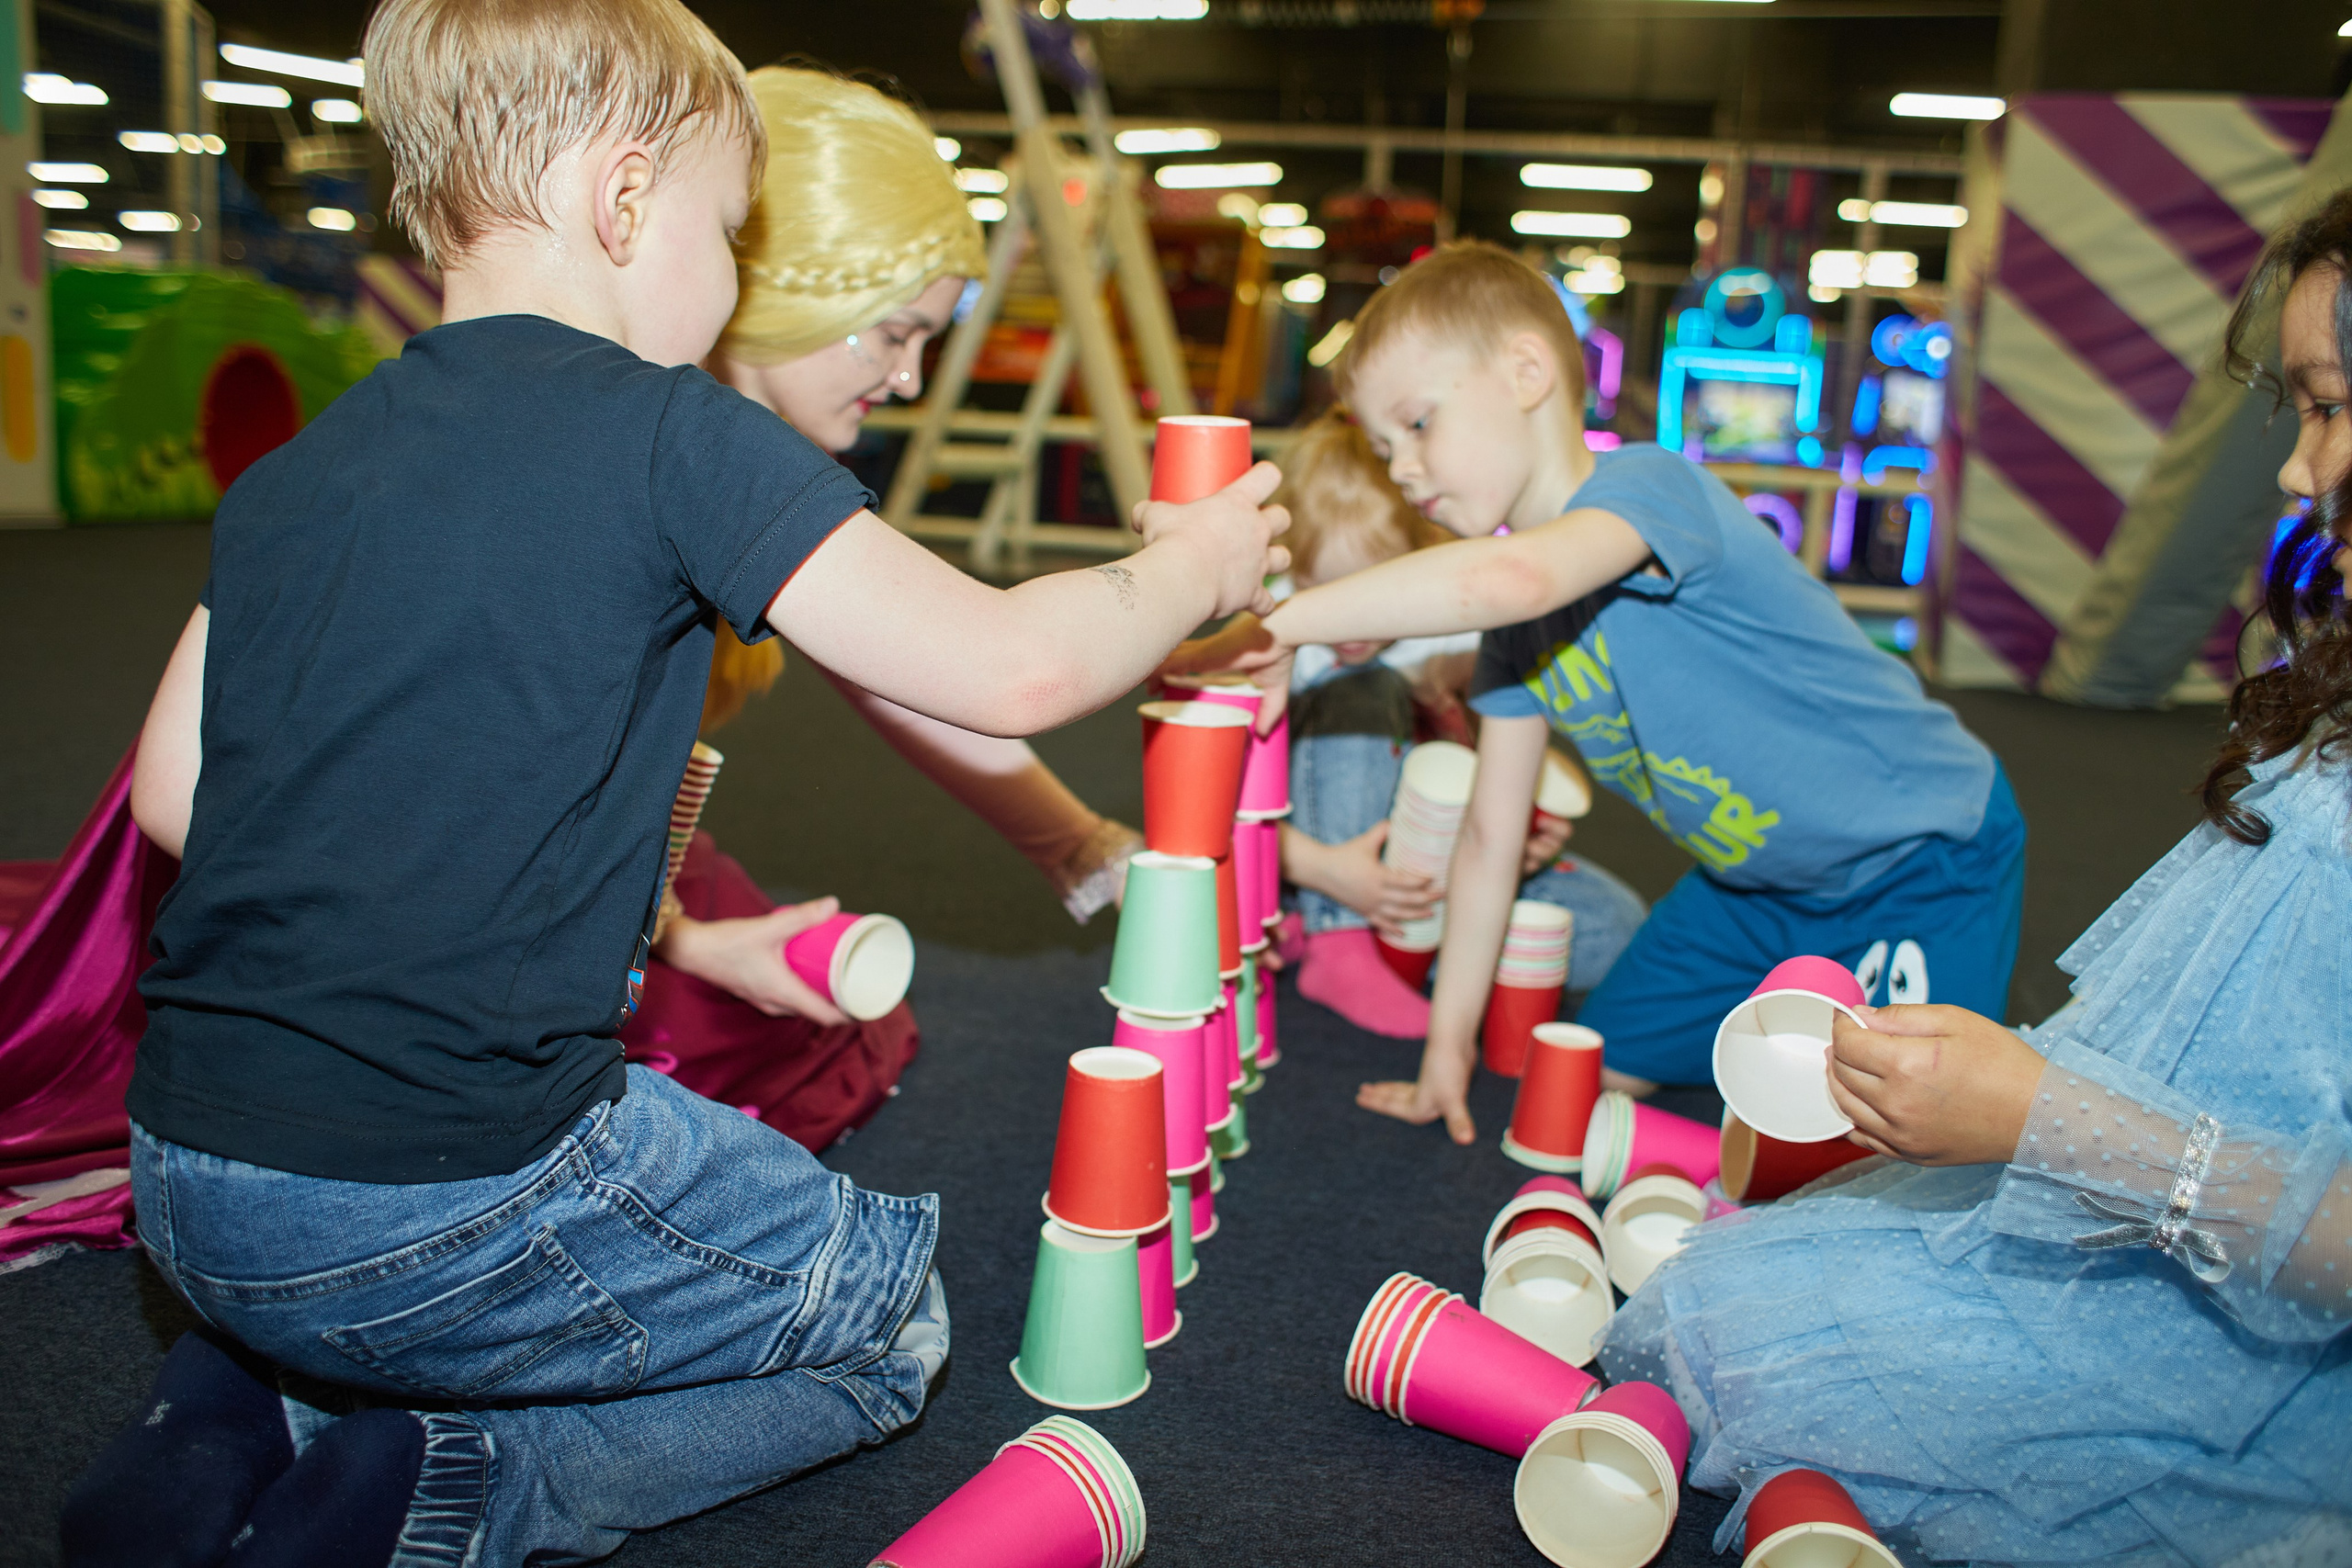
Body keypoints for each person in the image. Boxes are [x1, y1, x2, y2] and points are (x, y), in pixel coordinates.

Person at [62, 1, 1286, 1562]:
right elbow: (1010, 666)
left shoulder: (308, 464)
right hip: (437, 1194)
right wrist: (1188, 565)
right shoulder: (676, 436)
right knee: (883, 1324)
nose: (730, 276)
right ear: (627, 200)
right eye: (726, 224)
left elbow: (175, 794)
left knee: (368, 1265)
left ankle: (236, 1408)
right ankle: (448, 1497)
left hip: (183, 1183)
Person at [1600, 190, 2352, 1563]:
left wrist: (2047, 1117)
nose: (2300, 471)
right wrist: (2020, 1086)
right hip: (2164, 1206)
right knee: (1721, 1292)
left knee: (1739, 1339)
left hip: (2279, 1352)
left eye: (2329, 408)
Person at [1219, 242, 2020, 1144]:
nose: (1399, 466)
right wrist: (1446, 1054)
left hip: (1919, 858)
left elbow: (1517, 575)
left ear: (1526, 370)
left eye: (1416, 424)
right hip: (1751, 892)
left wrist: (1282, 622)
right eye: (1378, 445)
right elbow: (1488, 836)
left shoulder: (1649, 486)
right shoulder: (1514, 638)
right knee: (1579, 1088)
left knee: (1906, 1136)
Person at [1175, 409, 1647, 1040]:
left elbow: (1493, 770)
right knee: (1362, 688)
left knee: (1617, 926)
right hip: (1311, 867)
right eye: (1320, 591)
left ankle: (1408, 952)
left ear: (1418, 569)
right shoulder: (1278, 641)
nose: (1348, 622)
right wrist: (1324, 869)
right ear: (1290, 576)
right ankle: (1336, 939)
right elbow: (1211, 812)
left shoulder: (1455, 639)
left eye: (1371, 593)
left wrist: (1525, 833)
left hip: (1435, 876)